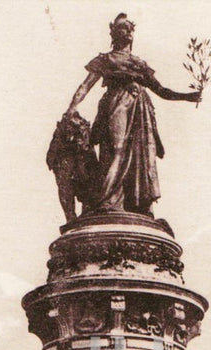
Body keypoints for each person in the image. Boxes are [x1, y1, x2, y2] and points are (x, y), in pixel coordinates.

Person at [65, 13, 201, 214]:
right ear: (113, 32)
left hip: (140, 110)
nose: (128, 31)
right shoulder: (106, 59)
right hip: (117, 104)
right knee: (116, 150)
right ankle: (105, 201)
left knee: (143, 154)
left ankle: (139, 204)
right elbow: (85, 85)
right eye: (123, 27)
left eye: (130, 28)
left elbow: (161, 90)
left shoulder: (139, 64)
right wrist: (72, 107)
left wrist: (187, 96)